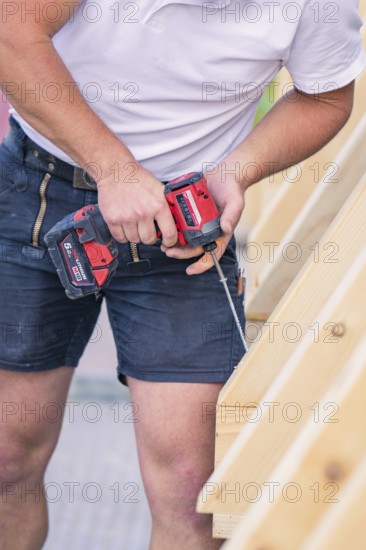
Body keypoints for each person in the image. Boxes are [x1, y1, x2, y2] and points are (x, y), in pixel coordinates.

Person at [0, 0, 364, 548]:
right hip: (42, 191)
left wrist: (235, 174)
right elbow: (11, 31)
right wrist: (115, 170)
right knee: (6, 459)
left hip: (183, 224)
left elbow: (327, 95)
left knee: (196, 497)